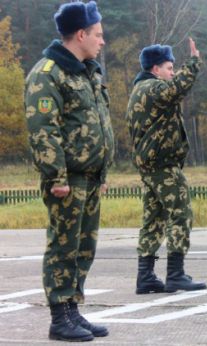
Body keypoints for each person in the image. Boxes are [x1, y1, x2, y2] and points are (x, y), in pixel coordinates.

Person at [24, 1, 113, 341]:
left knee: (84, 248)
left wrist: (102, 174)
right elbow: (44, 130)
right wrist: (56, 177)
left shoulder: (88, 71)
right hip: (68, 179)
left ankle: (74, 309)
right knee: (63, 247)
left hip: (89, 178)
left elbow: (98, 126)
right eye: (98, 35)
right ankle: (60, 317)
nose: (102, 42)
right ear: (80, 34)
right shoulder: (48, 74)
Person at [127, 39, 207, 295]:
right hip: (162, 165)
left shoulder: (141, 89)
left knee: (153, 219)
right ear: (155, 68)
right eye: (169, 67)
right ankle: (175, 274)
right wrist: (193, 62)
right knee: (180, 214)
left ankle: (146, 276)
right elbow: (177, 87)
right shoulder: (151, 88)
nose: (172, 72)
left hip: (151, 166)